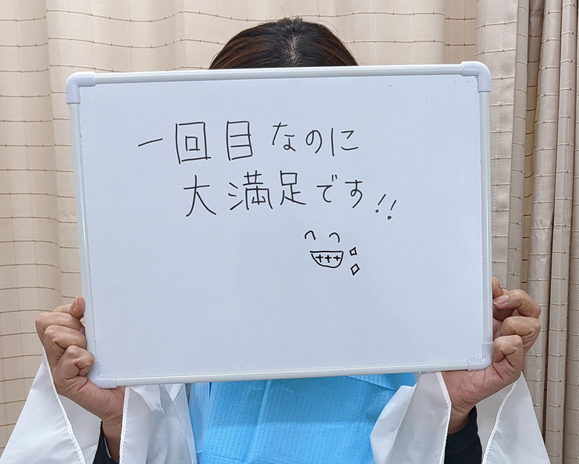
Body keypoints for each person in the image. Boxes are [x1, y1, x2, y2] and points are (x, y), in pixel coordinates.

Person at [3, 18, 547, 464]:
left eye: (315, 154)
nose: (287, 197)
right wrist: (121, 428)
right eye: (257, 164)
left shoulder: (435, 327)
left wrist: (451, 416)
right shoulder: (140, 328)